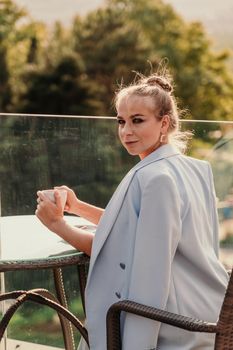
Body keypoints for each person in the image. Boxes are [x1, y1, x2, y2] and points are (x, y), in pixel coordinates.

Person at [36, 71, 229, 350]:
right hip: (212, 311)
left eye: (137, 121)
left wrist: (57, 225)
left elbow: (135, 264)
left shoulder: (154, 178)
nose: (126, 131)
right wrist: (77, 208)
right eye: (121, 121)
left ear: (164, 123)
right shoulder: (195, 169)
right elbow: (134, 227)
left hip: (175, 326)